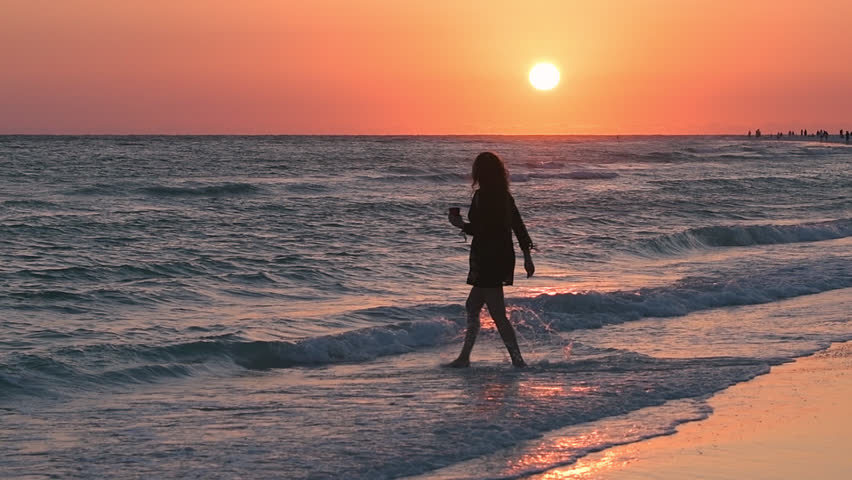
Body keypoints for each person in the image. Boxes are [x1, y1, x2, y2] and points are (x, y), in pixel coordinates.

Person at [447, 152, 535, 368]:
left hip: (487, 258)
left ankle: (517, 360)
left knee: (497, 313)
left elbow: (481, 229)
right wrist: (526, 256)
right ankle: (464, 357)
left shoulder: (482, 195)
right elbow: (519, 226)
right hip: (503, 256)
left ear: (480, 172)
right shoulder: (504, 195)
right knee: (472, 305)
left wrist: (459, 225)